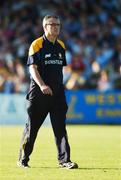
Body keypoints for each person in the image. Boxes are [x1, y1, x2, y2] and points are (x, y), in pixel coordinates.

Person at [17, 15, 78, 169]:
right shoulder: (37, 44)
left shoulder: (61, 46)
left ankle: (64, 161)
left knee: (60, 129)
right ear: (45, 27)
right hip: (38, 94)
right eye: (52, 24)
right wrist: (43, 85)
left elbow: (59, 70)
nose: (56, 27)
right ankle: (23, 159)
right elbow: (32, 68)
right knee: (32, 129)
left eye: (58, 24)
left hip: (57, 95)